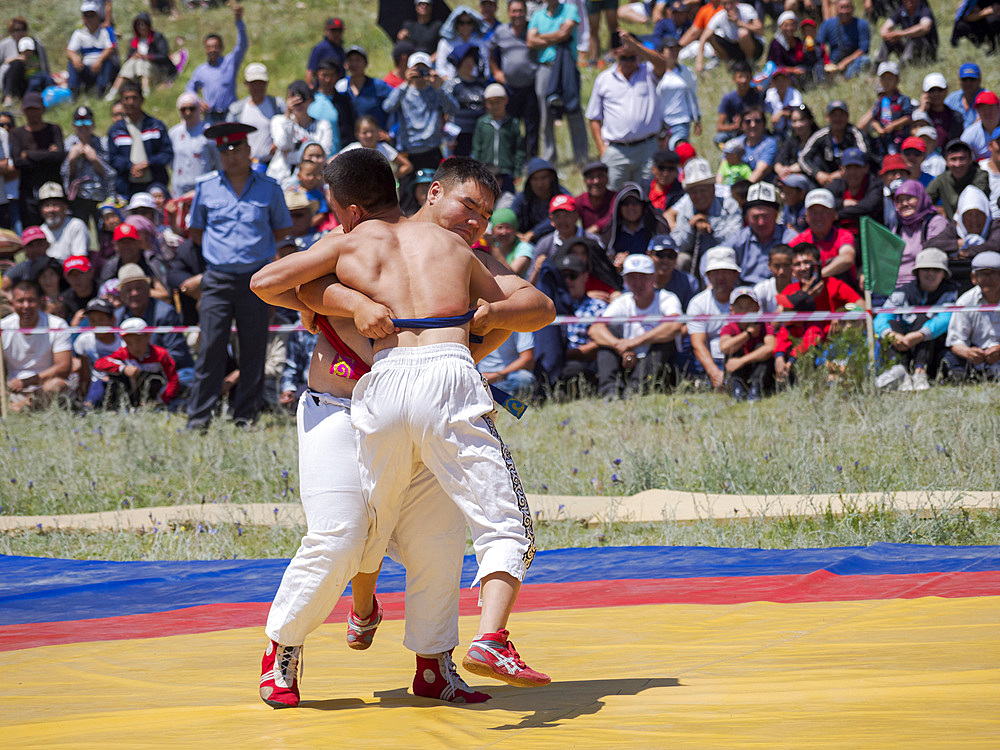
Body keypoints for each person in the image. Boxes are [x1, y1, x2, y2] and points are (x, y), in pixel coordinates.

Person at [250, 151, 553, 703]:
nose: (475, 222)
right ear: (432, 193)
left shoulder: (463, 252)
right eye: (468, 206)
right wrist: (352, 300)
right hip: (344, 407)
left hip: (425, 402)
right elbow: (289, 286)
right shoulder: (355, 235)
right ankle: (286, 643)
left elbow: (535, 302)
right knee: (342, 534)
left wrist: (488, 320)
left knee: (437, 538)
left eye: (485, 216)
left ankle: (433, 660)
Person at [186, 123, 291, 430]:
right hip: (217, 280)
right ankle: (199, 419)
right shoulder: (206, 187)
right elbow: (196, 231)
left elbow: (282, 230)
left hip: (255, 281)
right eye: (224, 151)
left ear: (248, 152)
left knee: (254, 350)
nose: (230, 157)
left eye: (236, 150)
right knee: (210, 350)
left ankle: (245, 418)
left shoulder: (269, 188)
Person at [587, 253, 681, 397]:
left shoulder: (667, 298)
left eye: (643, 277)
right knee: (607, 338)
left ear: (653, 277)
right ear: (625, 280)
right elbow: (595, 329)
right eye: (632, 277)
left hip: (655, 359)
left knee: (665, 343)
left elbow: (674, 326)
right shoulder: (623, 301)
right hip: (626, 355)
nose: (638, 283)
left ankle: (636, 390)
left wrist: (633, 343)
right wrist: (618, 345)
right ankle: (610, 391)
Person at [586, 31, 666, 191]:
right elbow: (594, 117)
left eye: (632, 57)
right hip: (616, 150)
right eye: (624, 57)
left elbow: (663, 64)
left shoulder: (648, 72)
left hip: (647, 147)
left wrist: (636, 46)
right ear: (615, 55)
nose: (629, 62)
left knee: (647, 194)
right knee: (612, 196)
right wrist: (602, 148)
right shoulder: (604, 79)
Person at [772, 242, 861, 384]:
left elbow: (863, 308)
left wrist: (841, 314)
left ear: (818, 265)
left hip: (833, 345)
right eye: (797, 264)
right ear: (793, 270)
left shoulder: (834, 284)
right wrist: (803, 297)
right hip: (800, 349)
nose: (803, 268)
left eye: (807, 262)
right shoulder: (791, 290)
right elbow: (775, 323)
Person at [874, 248, 958, 391]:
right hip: (902, 342)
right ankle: (900, 371)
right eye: (925, 269)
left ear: (944, 274)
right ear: (917, 272)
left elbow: (945, 319)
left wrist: (920, 335)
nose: (930, 273)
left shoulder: (950, 291)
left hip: (932, 345)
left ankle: (920, 372)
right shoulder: (902, 291)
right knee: (891, 324)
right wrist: (891, 335)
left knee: (922, 320)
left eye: (936, 270)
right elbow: (882, 316)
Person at [527, 0, 589, 168]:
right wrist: (557, 35)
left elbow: (565, 33)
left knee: (573, 110)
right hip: (545, 68)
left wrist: (542, 36)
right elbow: (530, 41)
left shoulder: (569, 9)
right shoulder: (538, 15)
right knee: (545, 115)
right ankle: (549, 159)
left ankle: (581, 158)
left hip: (567, 66)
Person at [114, 261, 194, 388]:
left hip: (168, 370)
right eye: (129, 289)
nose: (134, 293)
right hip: (132, 374)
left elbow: (176, 353)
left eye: (139, 288)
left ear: (148, 289)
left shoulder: (165, 313)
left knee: (186, 379)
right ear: (121, 295)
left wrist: (147, 366)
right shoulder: (117, 317)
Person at [2, 279, 71, 412]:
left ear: (40, 301)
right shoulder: (4, 327)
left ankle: (19, 409)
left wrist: (26, 382)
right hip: (12, 389)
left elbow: (63, 367)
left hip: (44, 388)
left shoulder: (57, 325)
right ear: (12, 303)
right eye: (20, 301)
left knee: (57, 384)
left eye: (31, 300)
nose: (26, 306)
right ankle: (17, 408)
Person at [383, 52, 459, 173]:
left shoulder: (435, 91)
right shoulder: (403, 91)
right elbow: (387, 107)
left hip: (432, 150)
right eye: (416, 69)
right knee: (408, 190)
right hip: (409, 151)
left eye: (424, 69)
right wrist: (405, 83)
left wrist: (439, 88)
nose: (420, 72)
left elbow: (454, 109)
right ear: (408, 70)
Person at [669, 157, 742, 279]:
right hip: (694, 263)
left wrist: (711, 225)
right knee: (680, 260)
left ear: (713, 189)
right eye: (693, 192)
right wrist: (691, 226)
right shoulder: (686, 209)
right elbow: (677, 244)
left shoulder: (730, 205)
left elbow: (735, 239)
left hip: (723, 261)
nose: (699, 196)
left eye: (703, 190)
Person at [489, 0, 539, 159]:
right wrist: (496, 71)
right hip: (510, 88)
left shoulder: (532, 30)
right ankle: (510, 158)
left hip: (531, 86)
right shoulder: (501, 31)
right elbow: (490, 51)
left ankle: (531, 159)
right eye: (514, 11)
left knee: (532, 126)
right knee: (511, 125)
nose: (517, 15)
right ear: (508, 13)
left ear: (525, 12)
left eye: (520, 11)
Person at [686, 247, 741, 390]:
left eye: (726, 272)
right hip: (709, 360)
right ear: (708, 276)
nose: (721, 277)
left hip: (740, 357)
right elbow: (698, 344)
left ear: (735, 275)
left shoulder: (748, 300)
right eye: (716, 273)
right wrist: (714, 372)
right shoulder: (698, 303)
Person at [94, 315, 180, 407]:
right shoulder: (124, 353)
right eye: (129, 343)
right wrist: (124, 369)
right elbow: (100, 364)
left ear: (148, 336)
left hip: (158, 400)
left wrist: (162, 400)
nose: (135, 347)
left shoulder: (160, 354)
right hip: (134, 397)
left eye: (138, 341)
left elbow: (173, 380)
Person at [106, 83, 172, 198]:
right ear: (121, 102)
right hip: (126, 187)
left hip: (155, 183)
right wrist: (130, 166)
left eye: (134, 98)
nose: (131, 102)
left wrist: (148, 163)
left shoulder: (156, 126)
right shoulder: (116, 130)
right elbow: (112, 158)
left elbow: (167, 153)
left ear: (142, 100)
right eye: (126, 98)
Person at [942, 250, 1000, 382]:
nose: (987, 279)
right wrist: (968, 352)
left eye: (993, 274)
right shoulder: (965, 301)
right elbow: (955, 340)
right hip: (975, 356)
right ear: (973, 277)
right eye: (982, 274)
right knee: (949, 360)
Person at [930, 186, 1000, 291]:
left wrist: (967, 252)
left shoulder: (995, 225)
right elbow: (931, 245)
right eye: (968, 215)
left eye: (978, 214)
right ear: (961, 218)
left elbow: (995, 245)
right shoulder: (955, 228)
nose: (974, 221)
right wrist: (959, 244)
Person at [185, 4, 247, 123]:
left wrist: (239, 22)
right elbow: (189, 88)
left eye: (215, 47)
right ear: (205, 49)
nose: (212, 50)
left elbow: (242, 45)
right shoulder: (201, 71)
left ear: (221, 47)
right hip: (210, 117)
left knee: (233, 141)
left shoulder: (230, 63)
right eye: (209, 47)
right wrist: (197, 101)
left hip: (230, 114)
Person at [10, 93, 64, 228]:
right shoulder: (17, 134)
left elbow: (59, 157)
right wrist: (47, 155)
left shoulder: (54, 130)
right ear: (23, 111)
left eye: (35, 109)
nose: (32, 113)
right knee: (32, 228)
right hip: (29, 192)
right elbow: (18, 163)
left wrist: (28, 154)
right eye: (29, 110)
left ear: (43, 109)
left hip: (53, 188)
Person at [724, 182, 795, 284]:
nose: (761, 222)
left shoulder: (790, 238)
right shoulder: (740, 238)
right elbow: (713, 256)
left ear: (775, 214)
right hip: (745, 294)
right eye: (755, 217)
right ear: (747, 217)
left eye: (765, 216)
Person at [268, 80, 334, 185]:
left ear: (311, 100)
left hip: (312, 181)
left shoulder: (322, 125)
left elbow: (323, 154)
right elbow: (283, 144)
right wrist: (288, 115)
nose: (298, 103)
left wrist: (290, 156)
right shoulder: (279, 121)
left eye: (303, 98)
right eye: (293, 99)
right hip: (282, 179)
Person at [790, 188, 857, 287]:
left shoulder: (843, 235)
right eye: (813, 212)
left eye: (824, 211)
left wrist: (818, 276)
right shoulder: (799, 241)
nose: (818, 217)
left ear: (834, 214)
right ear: (806, 216)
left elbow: (847, 258)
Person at [60, 105, 114, 230]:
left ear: (93, 123)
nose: (83, 125)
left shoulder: (102, 143)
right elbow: (64, 174)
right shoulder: (68, 144)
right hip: (78, 197)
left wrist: (95, 160)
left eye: (87, 120)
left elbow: (110, 173)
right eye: (78, 121)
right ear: (73, 124)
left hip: (100, 195)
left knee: (103, 231)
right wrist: (71, 160)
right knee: (80, 231)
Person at [888, 179, 948, 288]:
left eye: (909, 198)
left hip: (922, 287)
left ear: (920, 198)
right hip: (894, 285)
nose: (904, 204)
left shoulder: (935, 222)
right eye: (900, 201)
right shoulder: (898, 227)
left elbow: (933, 255)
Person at [719, 287, 775, 400]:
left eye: (749, 306)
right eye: (739, 307)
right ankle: (737, 389)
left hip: (758, 373)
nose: (744, 311)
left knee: (761, 348)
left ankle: (756, 389)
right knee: (733, 349)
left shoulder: (765, 326)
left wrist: (741, 361)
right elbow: (724, 347)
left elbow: (770, 347)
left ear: (757, 308)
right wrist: (748, 334)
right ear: (732, 309)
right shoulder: (729, 328)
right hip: (737, 372)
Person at [470, 83, 524, 196]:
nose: (495, 106)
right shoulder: (482, 123)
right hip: (486, 171)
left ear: (506, 100)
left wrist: (517, 171)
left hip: (506, 171)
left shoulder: (513, 123)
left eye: (498, 102)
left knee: (507, 199)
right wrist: (477, 169)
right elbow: (477, 147)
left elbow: (519, 149)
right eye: (491, 103)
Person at [228, 63, 285, 168]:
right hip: (246, 165)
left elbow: (287, 126)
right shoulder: (237, 109)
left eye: (261, 83)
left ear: (266, 83)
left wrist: (278, 143)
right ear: (246, 84)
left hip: (272, 164)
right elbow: (231, 136)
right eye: (253, 83)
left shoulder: (277, 105)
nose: (257, 87)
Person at [106, 12, 172, 100]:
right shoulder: (135, 41)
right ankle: (113, 92)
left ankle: (146, 91)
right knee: (130, 63)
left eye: (143, 24)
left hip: (156, 69)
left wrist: (147, 57)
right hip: (135, 71)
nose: (141, 27)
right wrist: (134, 56)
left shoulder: (157, 37)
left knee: (142, 62)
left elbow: (163, 56)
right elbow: (129, 56)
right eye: (138, 25)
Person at [72, 297, 121, 407]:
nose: (96, 325)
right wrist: (82, 391)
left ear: (112, 320)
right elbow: (84, 371)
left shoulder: (122, 343)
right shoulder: (84, 340)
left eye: (101, 320)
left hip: (118, 381)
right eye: (92, 320)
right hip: (95, 383)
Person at [169, 92, 221, 196]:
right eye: (183, 109)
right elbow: (170, 160)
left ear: (199, 109)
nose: (188, 112)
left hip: (203, 186)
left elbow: (218, 160)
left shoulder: (208, 131)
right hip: (180, 186)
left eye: (192, 108)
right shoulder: (174, 133)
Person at [442, 44, 488, 158]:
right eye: (465, 61)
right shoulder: (451, 85)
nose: (469, 64)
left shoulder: (482, 84)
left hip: (478, 133)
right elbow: (444, 112)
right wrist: (448, 137)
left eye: (471, 60)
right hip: (458, 135)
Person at [827, 147, 883, 240]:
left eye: (857, 167)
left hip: (868, 238)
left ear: (866, 168)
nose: (853, 172)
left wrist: (837, 215)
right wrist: (843, 203)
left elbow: (868, 207)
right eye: (849, 168)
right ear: (842, 169)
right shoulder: (837, 184)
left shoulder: (874, 184)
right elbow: (823, 202)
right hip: (839, 237)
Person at [926, 139, 990, 220]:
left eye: (962, 158)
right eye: (953, 159)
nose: (958, 164)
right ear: (946, 162)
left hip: (977, 225)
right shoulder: (941, 179)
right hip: (951, 228)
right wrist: (936, 210)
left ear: (970, 160)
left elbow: (972, 201)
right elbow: (925, 200)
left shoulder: (980, 176)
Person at [66, 0, 119, 99]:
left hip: (102, 68)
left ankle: (101, 91)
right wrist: (74, 58)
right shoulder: (79, 33)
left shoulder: (105, 31)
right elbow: (70, 50)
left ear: (98, 17)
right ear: (83, 18)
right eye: (86, 16)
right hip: (86, 69)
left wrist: (99, 60)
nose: (89, 19)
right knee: (72, 62)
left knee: (107, 62)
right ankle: (74, 93)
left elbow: (111, 48)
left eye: (92, 15)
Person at [510, 157, 571, 242]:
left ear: (552, 178)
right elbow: (511, 215)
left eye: (544, 178)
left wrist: (533, 233)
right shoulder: (523, 197)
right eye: (535, 179)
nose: (540, 184)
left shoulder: (562, 196)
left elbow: (562, 218)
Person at [655, 35, 700, 150]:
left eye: (676, 49)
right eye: (670, 49)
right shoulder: (655, 73)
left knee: (679, 152)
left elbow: (693, 95)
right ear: (662, 51)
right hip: (660, 122)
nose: (674, 52)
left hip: (681, 121)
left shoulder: (686, 71)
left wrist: (697, 118)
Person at [337, 46, 394, 132]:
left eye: (358, 60)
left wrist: (392, 132)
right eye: (351, 60)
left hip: (374, 140)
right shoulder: (341, 87)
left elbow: (397, 103)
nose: (354, 64)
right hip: (350, 142)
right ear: (345, 64)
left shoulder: (378, 85)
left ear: (366, 63)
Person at [697, 0, 765, 70]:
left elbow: (760, 30)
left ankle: (750, 63)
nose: (728, 7)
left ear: (736, 2)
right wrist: (699, 61)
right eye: (725, 4)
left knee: (742, 32)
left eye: (731, 3)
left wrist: (739, 23)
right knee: (711, 37)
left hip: (755, 48)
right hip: (734, 47)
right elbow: (703, 37)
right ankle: (729, 62)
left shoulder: (746, 9)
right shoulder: (719, 16)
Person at [309, 58, 354, 153]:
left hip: (336, 158)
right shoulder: (308, 99)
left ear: (338, 76)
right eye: (324, 75)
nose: (328, 80)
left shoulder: (344, 102)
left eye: (332, 75)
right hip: (311, 158)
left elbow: (349, 132)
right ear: (317, 75)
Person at [1, 18, 51, 104]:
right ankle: (8, 96)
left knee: (44, 78)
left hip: (33, 78)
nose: (20, 33)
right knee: (17, 64)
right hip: (12, 80)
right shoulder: (5, 45)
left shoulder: (35, 43)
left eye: (23, 29)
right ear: (11, 31)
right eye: (17, 30)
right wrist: (18, 58)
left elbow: (44, 63)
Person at [714, 61, 764, 146]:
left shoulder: (758, 94)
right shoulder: (728, 99)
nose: (744, 80)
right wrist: (734, 126)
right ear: (734, 79)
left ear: (751, 78)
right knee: (719, 138)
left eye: (747, 77)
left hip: (754, 130)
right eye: (740, 77)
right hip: (735, 133)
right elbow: (719, 126)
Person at [816, 0, 870, 79]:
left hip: (853, 60)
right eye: (842, 8)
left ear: (853, 8)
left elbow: (863, 49)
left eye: (847, 7)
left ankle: (848, 78)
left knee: (865, 60)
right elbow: (819, 43)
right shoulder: (828, 24)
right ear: (837, 9)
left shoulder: (862, 24)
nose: (845, 11)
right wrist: (826, 61)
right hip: (833, 61)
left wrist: (845, 62)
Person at [37, 182, 89, 262]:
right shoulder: (40, 231)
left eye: (55, 205)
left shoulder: (76, 225)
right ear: (41, 210)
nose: (51, 210)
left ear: (64, 207)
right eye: (47, 206)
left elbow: (79, 257)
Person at [875, 0, 937, 65]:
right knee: (889, 39)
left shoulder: (924, 10)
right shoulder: (901, 11)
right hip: (907, 48)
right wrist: (890, 36)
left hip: (926, 51)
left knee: (915, 39)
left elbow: (925, 27)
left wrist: (901, 34)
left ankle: (903, 66)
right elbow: (884, 29)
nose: (909, 1)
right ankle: (878, 65)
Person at [919, 73, 964, 153]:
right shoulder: (918, 114)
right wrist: (922, 110)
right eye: (932, 91)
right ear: (924, 93)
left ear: (946, 91)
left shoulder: (956, 117)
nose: (936, 94)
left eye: (940, 90)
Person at [774, 104, 816, 183]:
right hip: (789, 177)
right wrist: (780, 169)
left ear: (810, 121)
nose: (798, 125)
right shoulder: (791, 141)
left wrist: (790, 170)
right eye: (794, 121)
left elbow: (814, 162)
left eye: (802, 120)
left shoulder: (818, 139)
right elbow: (778, 161)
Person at [487, 207, 533, 277]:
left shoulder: (525, 248)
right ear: (493, 231)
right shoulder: (494, 246)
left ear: (515, 230)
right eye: (500, 227)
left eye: (508, 228)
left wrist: (492, 246)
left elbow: (512, 275)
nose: (504, 232)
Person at [575, 161, 616, 234]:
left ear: (607, 179)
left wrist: (593, 229)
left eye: (600, 176)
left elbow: (611, 217)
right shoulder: (580, 201)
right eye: (591, 177)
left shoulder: (615, 198)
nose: (596, 181)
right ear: (585, 181)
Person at [305, 18, 346, 89]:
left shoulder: (340, 49)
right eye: (333, 31)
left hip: (338, 89)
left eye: (339, 30)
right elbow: (310, 72)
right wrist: (310, 90)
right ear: (326, 31)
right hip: (323, 89)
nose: (336, 34)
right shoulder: (320, 48)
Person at [960, 91, 1000, 161]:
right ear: (977, 111)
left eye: (990, 107)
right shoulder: (969, 134)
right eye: (983, 108)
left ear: (998, 107)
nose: (987, 112)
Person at [946, 63, 985, 131]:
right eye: (965, 79)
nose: (968, 83)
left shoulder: (986, 96)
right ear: (959, 81)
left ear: (979, 80)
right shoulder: (952, 98)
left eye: (972, 79)